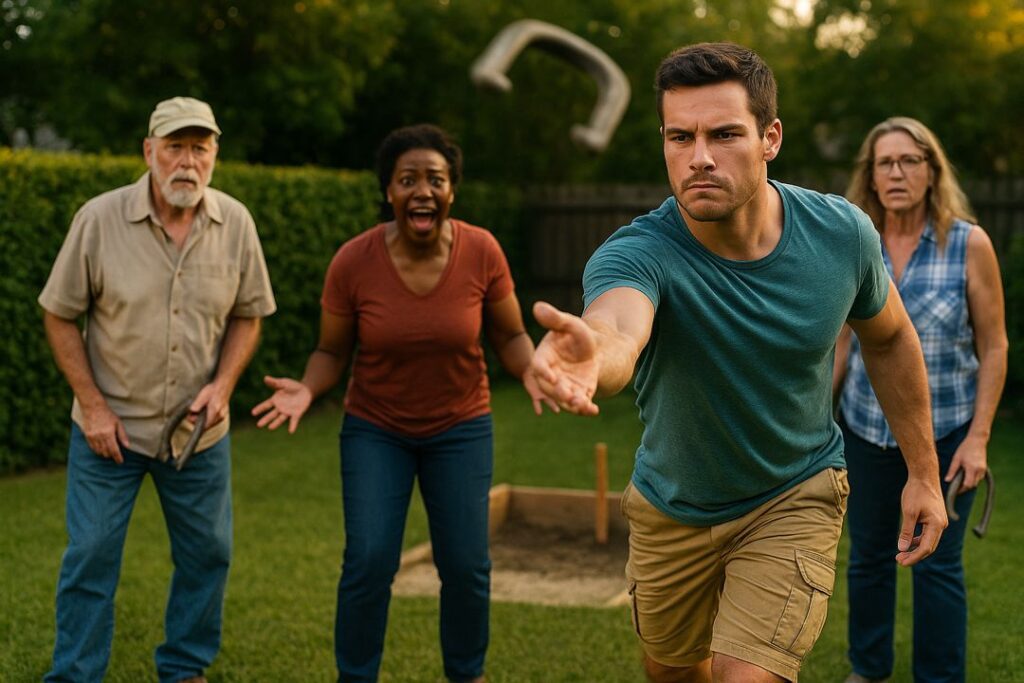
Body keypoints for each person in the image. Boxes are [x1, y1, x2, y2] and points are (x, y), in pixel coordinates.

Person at [525, 43, 949, 683]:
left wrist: (923, 471)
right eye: (680, 136)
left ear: (769, 137)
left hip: (794, 493)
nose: (699, 157)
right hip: (672, 506)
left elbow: (888, 338)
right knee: (673, 672)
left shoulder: (842, 235)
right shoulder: (637, 252)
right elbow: (617, 328)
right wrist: (594, 355)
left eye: (724, 134)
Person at [251, 124, 542, 683]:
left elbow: (508, 337)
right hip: (375, 430)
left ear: (452, 190)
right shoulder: (353, 262)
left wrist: (531, 370)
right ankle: (355, 677)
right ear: (389, 192)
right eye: (408, 180)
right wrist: (308, 389)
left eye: (436, 179)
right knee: (368, 560)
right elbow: (332, 351)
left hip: (460, 427)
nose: (423, 190)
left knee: (465, 565)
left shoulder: (482, 251)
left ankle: (467, 674)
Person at [39, 96, 277, 682]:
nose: (187, 162)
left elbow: (250, 314)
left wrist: (223, 386)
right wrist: (93, 408)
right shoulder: (98, 219)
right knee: (90, 556)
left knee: (208, 555)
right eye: (174, 147)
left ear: (215, 155)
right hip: (109, 433)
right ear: (149, 152)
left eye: (200, 148)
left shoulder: (236, 223)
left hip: (198, 434)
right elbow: (58, 314)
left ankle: (185, 667)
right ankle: (75, 676)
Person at [835, 117, 1008, 683]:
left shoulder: (969, 243)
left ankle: (939, 677)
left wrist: (978, 437)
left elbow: (995, 344)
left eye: (910, 160)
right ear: (871, 176)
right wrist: (815, 420)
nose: (897, 172)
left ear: (932, 171)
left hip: (947, 433)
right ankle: (868, 669)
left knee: (937, 566)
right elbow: (839, 342)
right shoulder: (855, 243)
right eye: (884, 163)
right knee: (867, 561)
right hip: (865, 429)